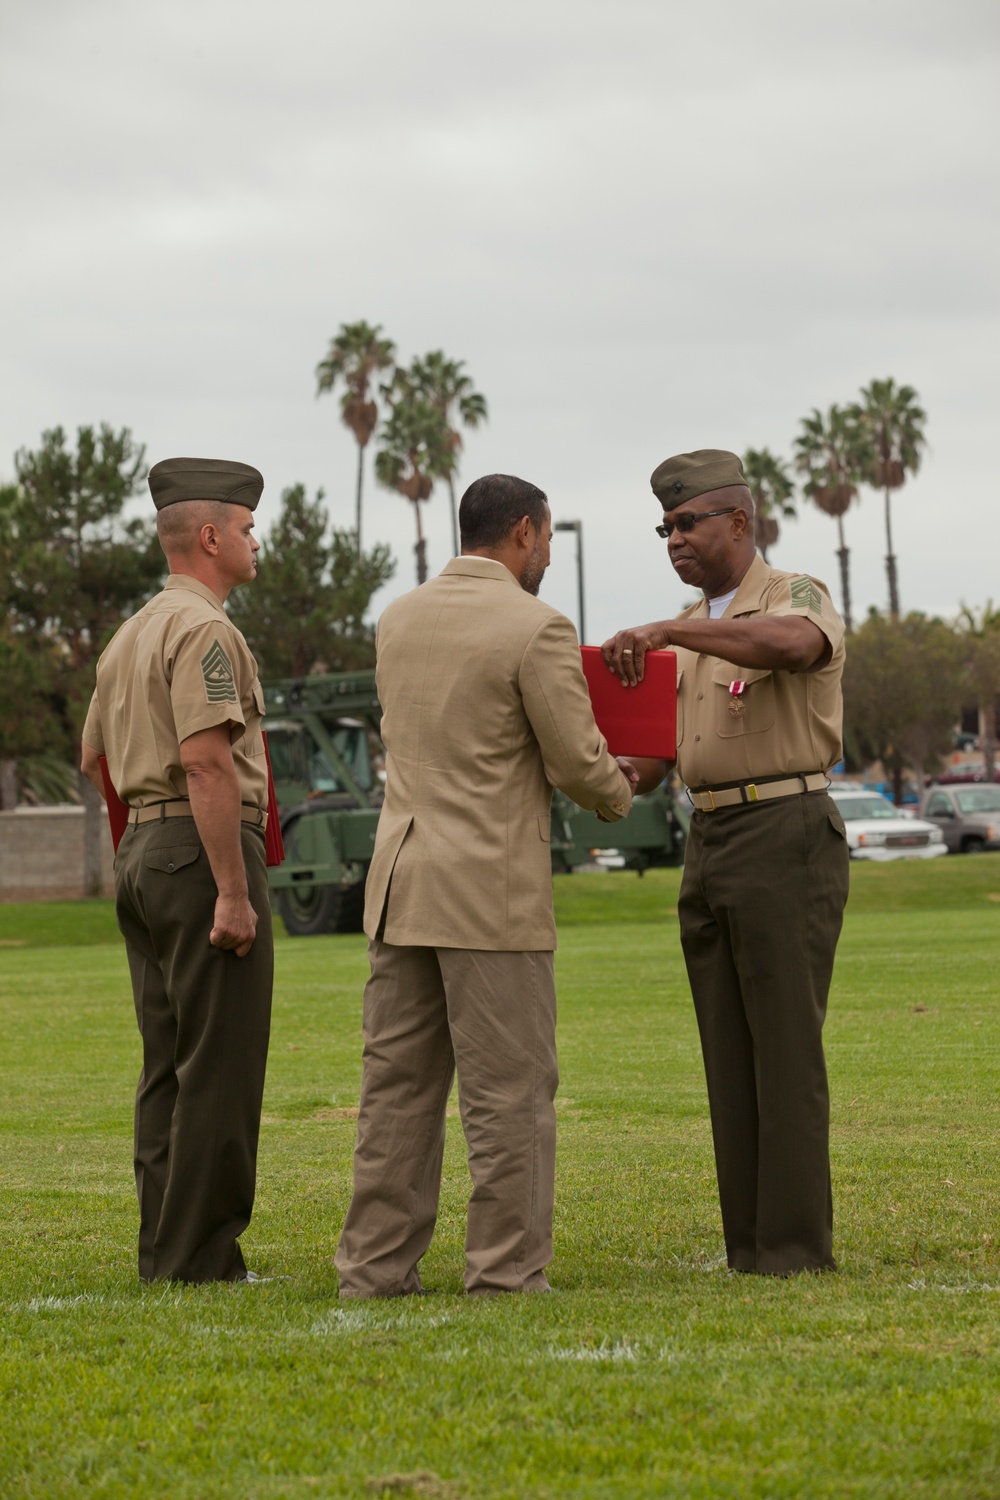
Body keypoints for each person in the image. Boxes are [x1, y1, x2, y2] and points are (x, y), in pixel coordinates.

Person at [335, 473, 636, 1297]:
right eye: (542, 542)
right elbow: (576, 760)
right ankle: (505, 1273)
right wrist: (625, 787)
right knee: (509, 1093)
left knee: (396, 1089)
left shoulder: (395, 618)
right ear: (529, 533)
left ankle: (374, 1267)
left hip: (400, 882)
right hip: (488, 893)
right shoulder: (535, 624)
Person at [603, 449, 850, 1276]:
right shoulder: (697, 630)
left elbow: (791, 646)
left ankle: (791, 1247)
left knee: (783, 1049)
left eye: (688, 522)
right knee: (727, 1053)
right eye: (664, 526)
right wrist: (580, 768)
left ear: (740, 522)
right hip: (707, 841)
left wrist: (672, 629)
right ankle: (748, 1243)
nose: (673, 537)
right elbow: (654, 759)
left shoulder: (790, 595)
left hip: (784, 831)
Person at [81, 457, 273, 1284]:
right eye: (248, 527)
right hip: (200, 853)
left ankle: (165, 1250)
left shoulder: (131, 632)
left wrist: (145, 846)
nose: (255, 540)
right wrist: (230, 887)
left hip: (144, 854)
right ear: (210, 536)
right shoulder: (204, 631)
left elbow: (93, 758)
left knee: (166, 1065)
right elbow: (206, 763)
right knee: (219, 1065)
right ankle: (200, 1260)